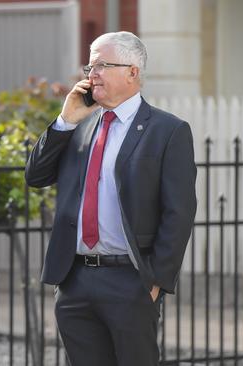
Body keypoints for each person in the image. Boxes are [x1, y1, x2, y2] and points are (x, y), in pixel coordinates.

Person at [25, 31, 197, 366]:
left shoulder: (167, 130)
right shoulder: (81, 125)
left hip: (130, 281)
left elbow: (179, 211)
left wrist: (155, 282)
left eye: (102, 65)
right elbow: (36, 176)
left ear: (133, 72)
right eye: (89, 67)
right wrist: (64, 121)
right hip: (75, 281)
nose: (92, 75)